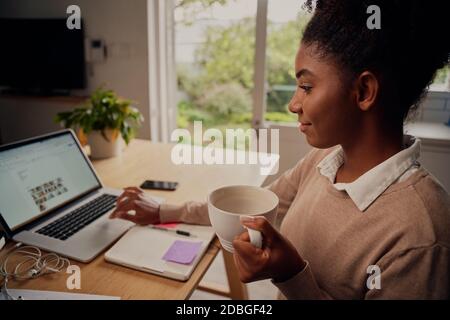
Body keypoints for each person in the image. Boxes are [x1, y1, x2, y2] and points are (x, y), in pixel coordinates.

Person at [110, 0, 450, 299]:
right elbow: (251, 212)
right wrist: (164, 212)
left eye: (305, 86)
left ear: (363, 91)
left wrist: (291, 275)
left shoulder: (420, 235)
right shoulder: (324, 162)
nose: (292, 104)